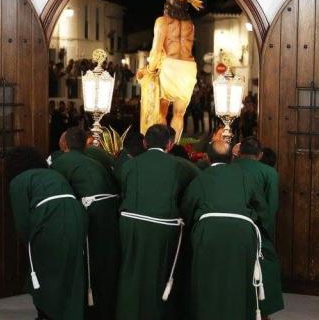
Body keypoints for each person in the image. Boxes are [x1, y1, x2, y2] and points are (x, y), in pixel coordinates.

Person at [181, 141, 272, 320]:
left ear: (206, 158)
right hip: (242, 234)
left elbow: (187, 207)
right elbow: (262, 209)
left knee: (207, 280)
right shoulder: (245, 176)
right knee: (239, 281)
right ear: (232, 157)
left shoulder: (202, 177)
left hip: (208, 233)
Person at [117, 124, 197, 320]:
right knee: (159, 274)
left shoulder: (129, 164)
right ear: (169, 144)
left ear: (145, 143)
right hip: (164, 226)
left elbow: (123, 188)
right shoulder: (180, 165)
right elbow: (198, 182)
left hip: (130, 224)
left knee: (131, 272)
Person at [6, 146, 87, 320]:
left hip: (49, 219)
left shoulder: (19, 181)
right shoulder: (54, 174)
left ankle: (47, 313)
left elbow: (22, 220)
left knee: (46, 270)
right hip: (76, 216)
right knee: (70, 269)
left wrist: (28, 242)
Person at [50, 128, 120, 320]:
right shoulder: (93, 160)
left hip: (91, 213)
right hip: (110, 211)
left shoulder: (61, 162)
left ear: (64, 144)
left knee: (88, 262)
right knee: (103, 261)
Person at [136, 0, 204, 142]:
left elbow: (156, 50)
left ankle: (160, 145)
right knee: (179, 113)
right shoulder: (191, 25)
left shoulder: (163, 21)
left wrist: (149, 70)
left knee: (161, 111)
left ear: (168, 5)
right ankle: (173, 145)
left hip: (170, 67)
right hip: (188, 68)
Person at [234, 137, 284, 318]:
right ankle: (261, 312)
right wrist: (267, 233)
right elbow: (270, 208)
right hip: (257, 230)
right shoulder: (269, 173)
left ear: (239, 153)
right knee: (265, 270)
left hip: (232, 228)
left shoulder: (229, 168)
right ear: (260, 155)